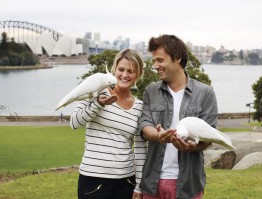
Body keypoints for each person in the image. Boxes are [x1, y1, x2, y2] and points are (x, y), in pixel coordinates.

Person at [138, 34, 218, 199]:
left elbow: (208, 138)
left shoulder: (205, 93)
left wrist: (190, 147)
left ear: (177, 58)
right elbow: (145, 126)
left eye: (160, 60)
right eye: (154, 61)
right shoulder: (150, 91)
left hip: (187, 185)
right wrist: (158, 136)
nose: (155, 66)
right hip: (152, 183)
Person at [70, 49, 147, 199]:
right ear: (114, 69)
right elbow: (74, 122)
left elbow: (140, 149)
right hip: (94, 180)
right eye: (121, 69)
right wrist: (98, 104)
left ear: (138, 74)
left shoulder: (140, 107)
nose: (125, 75)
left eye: (130, 71)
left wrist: (139, 186)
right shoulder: (96, 91)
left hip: (127, 182)